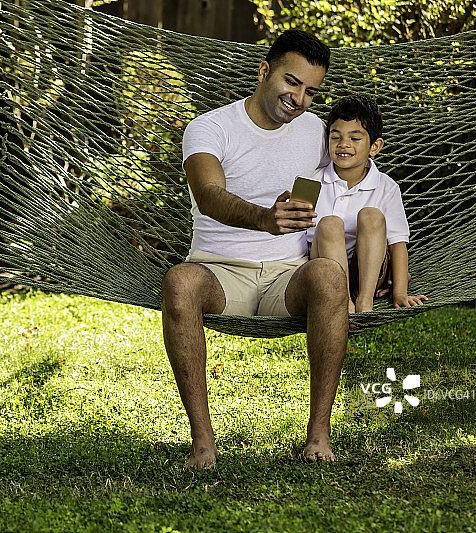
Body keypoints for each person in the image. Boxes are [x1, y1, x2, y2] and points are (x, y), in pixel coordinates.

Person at [161, 30, 349, 469]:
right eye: (291, 81)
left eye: (310, 91)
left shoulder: (316, 133)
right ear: (264, 71)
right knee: (179, 282)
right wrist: (265, 218)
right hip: (221, 273)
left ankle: (318, 435)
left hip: (287, 275)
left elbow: (350, 180)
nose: (299, 98)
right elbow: (208, 194)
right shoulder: (211, 127)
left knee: (328, 275)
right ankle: (203, 445)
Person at [306, 95, 427, 313]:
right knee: (330, 224)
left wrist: (400, 293)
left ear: (374, 146)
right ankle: (345, 305)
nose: (344, 145)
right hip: (325, 271)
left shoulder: (386, 187)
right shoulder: (310, 182)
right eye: (336, 137)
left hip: (369, 276)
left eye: (355, 138)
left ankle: (364, 302)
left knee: (371, 215)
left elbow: (397, 244)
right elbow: (294, 236)